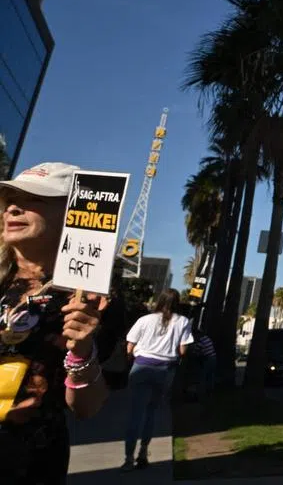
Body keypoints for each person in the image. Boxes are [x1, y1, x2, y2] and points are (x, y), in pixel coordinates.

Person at [0, 163, 111, 484]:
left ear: (72, 214)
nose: (14, 207)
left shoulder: (90, 301)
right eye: (10, 198)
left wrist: (82, 350)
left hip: (27, 464)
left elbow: (87, 408)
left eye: (33, 198)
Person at [121, 288, 193, 471]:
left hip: (142, 365)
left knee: (134, 414)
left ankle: (128, 457)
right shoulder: (183, 321)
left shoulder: (144, 320)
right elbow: (183, 351)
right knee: (151, 412)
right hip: (165, 369)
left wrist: (131, 360)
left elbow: (130, 346)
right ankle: (143, 452)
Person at [190, 327, 216, 397]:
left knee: (203, 375)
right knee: (210, 375)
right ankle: (209, 390)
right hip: (213, 357)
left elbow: (196, 352)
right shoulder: (207, 338)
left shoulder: (201, 341)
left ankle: (202, 391)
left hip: (208, 358)